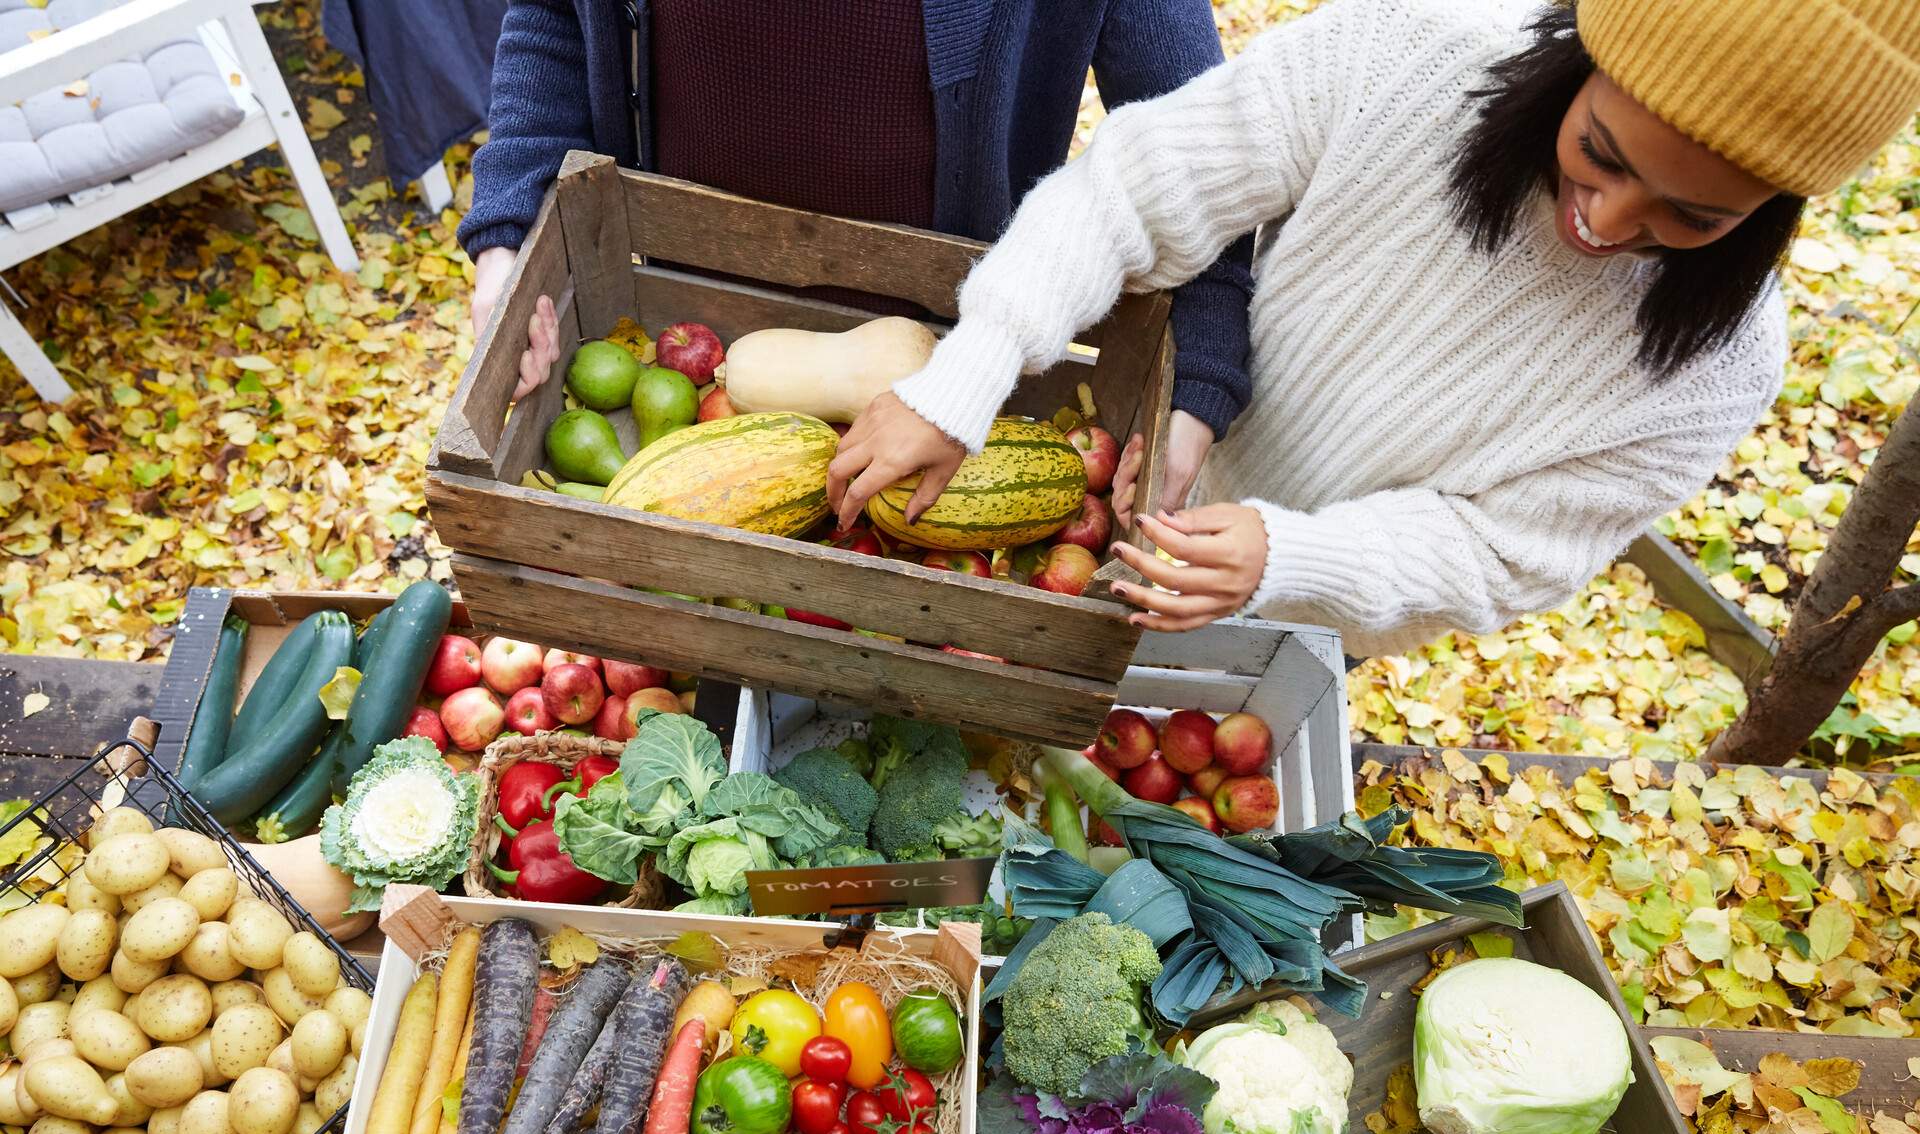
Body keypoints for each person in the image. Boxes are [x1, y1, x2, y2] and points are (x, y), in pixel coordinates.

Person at [827, 0, 1920, 652]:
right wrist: (965, 377)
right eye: (1603, 154)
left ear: (1773, 213)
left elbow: (1504, 554)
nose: (1608, 221)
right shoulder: (1416, 50)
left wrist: (1291, 557)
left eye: (1695, 218)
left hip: (1296, 612)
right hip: (1122, 484)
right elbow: (1130, 191)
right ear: (1581, 60)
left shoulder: (1720, 370)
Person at [459, 1, 1256, 514]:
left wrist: (1199, 380)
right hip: (674, 358)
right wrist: (509, 236)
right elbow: (556, 20)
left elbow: (1200, 145)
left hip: (950, 391)